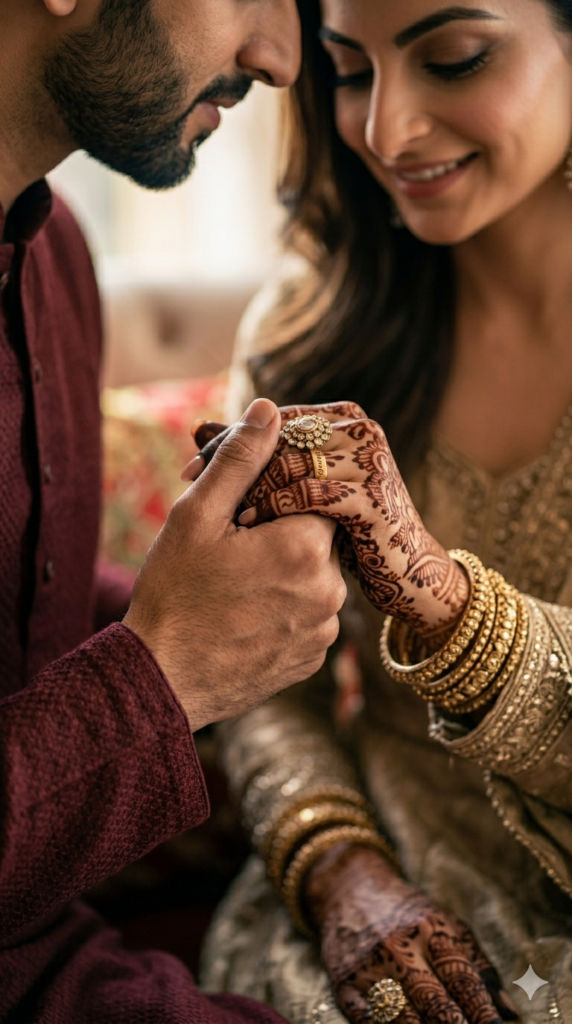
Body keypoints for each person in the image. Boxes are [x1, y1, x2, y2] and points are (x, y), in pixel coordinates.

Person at [197, 1, 572, 1022]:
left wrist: (443, 603)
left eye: (452, 59)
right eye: (349, 70)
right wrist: (335, 866)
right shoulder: (306, 330)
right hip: (378, 883)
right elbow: (260, 676)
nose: (383, 129)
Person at [0, 0, 348, 1021]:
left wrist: (225, 618)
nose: (279, 58)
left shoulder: (55, 257)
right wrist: (166, 671)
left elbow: (31, 627)